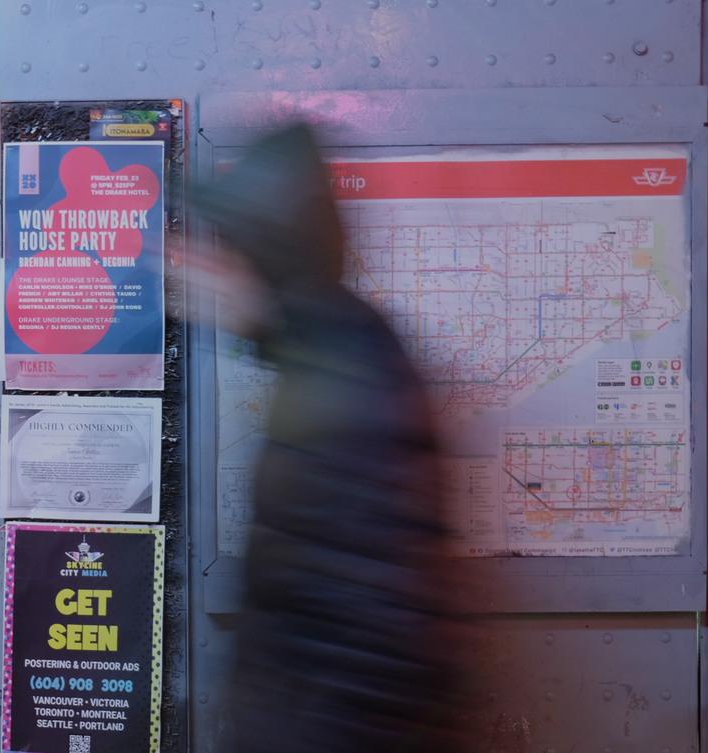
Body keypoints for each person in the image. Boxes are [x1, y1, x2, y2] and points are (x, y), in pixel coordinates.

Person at [190, 124, 467, 752]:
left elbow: (375, 630)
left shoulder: (340, 382)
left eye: (235, 250)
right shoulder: (335, 351)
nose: (222, 268)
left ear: (270, 255)